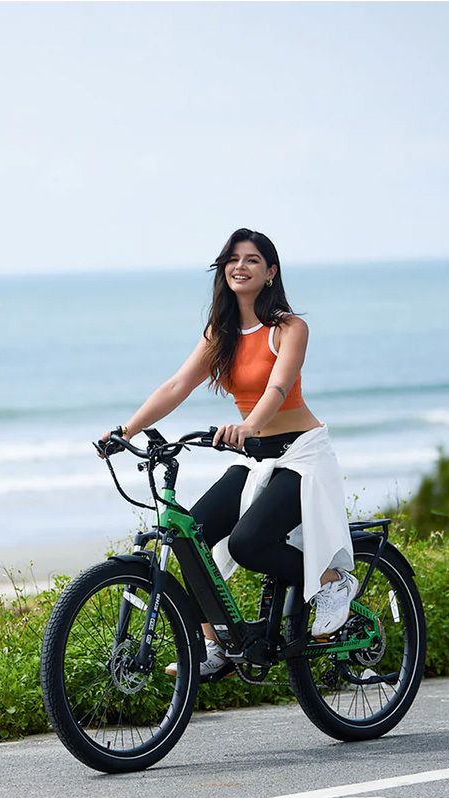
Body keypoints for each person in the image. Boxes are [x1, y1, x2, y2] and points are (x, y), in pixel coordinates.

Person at [98, 228, 356, 678]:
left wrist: (250, 424)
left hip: (301, 455)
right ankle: (214, 644)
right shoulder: (221, 333)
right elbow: (177, 385)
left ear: (271, 272)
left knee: (247, 543)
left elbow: (279, 385)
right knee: (188, 537)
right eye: (233, 259)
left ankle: (332, 583)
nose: (240, 266)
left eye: (252, 259)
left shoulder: (289, 329)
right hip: (255, 459)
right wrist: (125, 430)